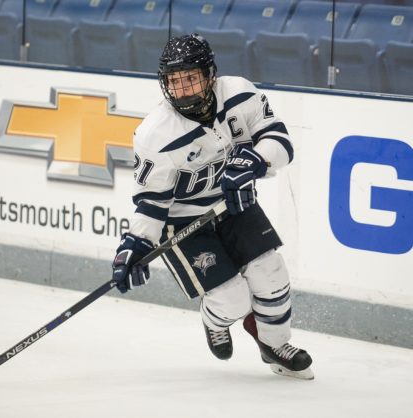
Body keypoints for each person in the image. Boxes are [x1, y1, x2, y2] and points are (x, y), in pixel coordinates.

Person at [111, 33, 313, 379]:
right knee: (233, 300)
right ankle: (214, 320)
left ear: (210, 75)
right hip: (184, 223)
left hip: (234, 204)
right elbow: (152, 202)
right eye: (174, 81)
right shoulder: (155, 135)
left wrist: (256, 162)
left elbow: (279, 140)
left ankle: (274, 344)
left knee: (271, 273)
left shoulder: (239, 93)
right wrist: (136, 243)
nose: (183, 89)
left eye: (191, 78)